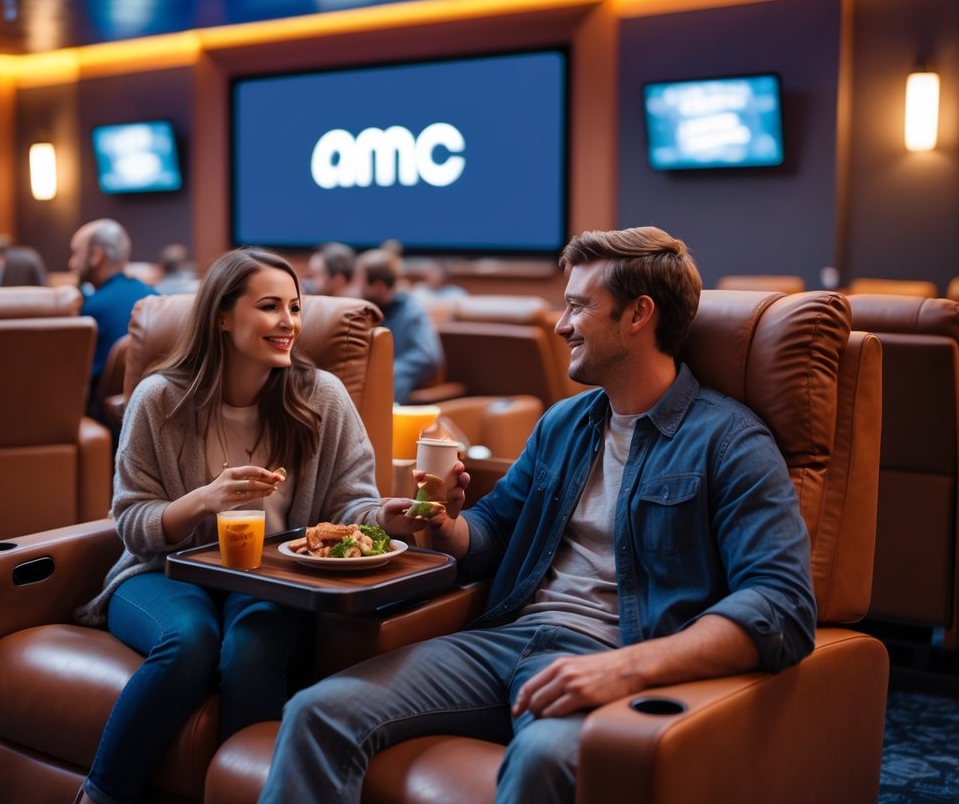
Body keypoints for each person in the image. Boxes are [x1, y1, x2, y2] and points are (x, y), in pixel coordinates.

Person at [259, 226, 818, 804]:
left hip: (616, 653)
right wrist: (448, 526)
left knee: (543, 759)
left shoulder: (730, 442)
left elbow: (781, 605)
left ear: (638, 315)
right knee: (318, 710)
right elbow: (494, 530)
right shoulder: (563, 423)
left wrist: (628, 669)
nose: (561, 325)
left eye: (579, 306)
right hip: (506, 639)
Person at [72, 247, 386, 804]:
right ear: (222, 315)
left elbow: (352, 507)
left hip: (272, 581)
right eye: (269, 307)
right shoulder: (159, 399)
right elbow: (131, 521)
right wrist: (202, 501)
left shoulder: (322, 396)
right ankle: (99, 797)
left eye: (295, 307)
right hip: (162, 572)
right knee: (189, 639)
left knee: (250, 646)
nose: (289, 322)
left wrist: (389, 518)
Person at [68, 219, 157, 414]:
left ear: (96, 256)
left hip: (104, 420)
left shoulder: (91, 309)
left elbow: (74, 382)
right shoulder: (156, 299)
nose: (72, 262)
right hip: (151, 414)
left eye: (76, 253)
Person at [351, 247, 443, 402]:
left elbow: (427, 357)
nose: (356, 289)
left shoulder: (412, 313)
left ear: (378, 286)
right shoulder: (366, 310)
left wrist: (382, 371)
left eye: (360, 283)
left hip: (398, 385)